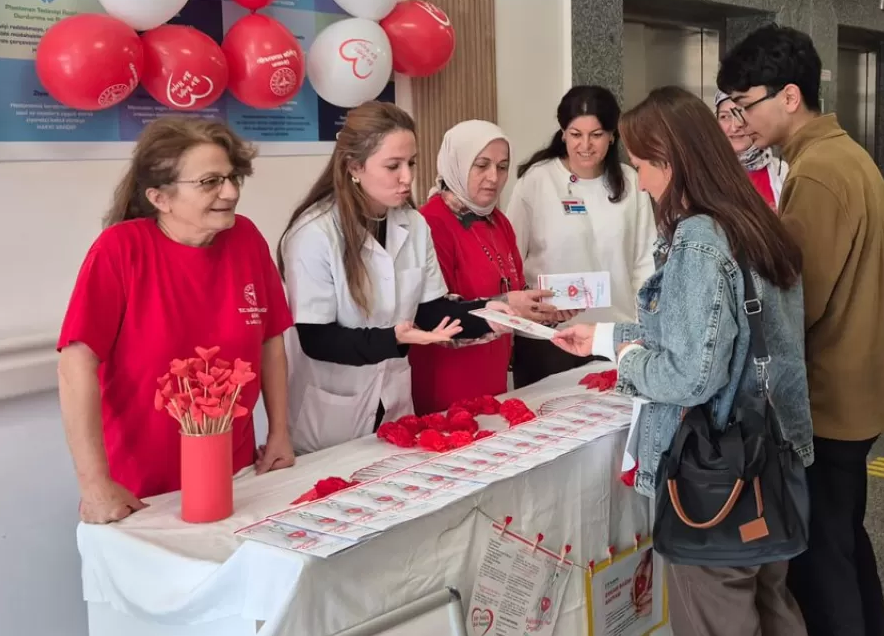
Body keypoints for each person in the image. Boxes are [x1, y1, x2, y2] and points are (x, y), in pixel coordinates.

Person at [553, 86, 817, 636]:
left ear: (671, 162)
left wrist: (625, 359)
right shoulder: (750, 221)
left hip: (716, 481)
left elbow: (691, 376)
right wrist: (606, 335)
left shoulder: (700, 238)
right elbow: (714, 335)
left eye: (642, 166)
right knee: (776, 623)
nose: (640, 183)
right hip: (771, 466)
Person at [53, 118, 296, 636]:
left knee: (220, 622)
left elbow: (269, 342)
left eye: (233, 176)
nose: (231, 192)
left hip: (231, 473)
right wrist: (95, 484)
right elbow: (75, 362)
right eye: (210, 181)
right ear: (159, 196)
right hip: (143, 485)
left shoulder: (246, 241)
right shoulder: (121, 250)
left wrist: (279, 434)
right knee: (134, 625)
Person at [718, 24, 884, 636]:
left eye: (745, 103)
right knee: (847, 556)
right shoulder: (844, 156)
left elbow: (797, 304)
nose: (740, 119)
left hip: (826, 405)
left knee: (824, 576)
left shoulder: (820, 172)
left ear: (790, 96)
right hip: (852, 397)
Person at [279, 103, 544, 452]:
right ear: (354, 166)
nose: (407, 177)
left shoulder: (412, 224)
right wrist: (396, 339)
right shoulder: (314, 233)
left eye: (412, 163)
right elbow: (317, 338)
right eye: (393, 166)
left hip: (393, 406)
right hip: (332, 413)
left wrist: (496, 312)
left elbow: (432, 312)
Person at [411, 120, 568, 413]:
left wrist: (547, 311)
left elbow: (515, 296)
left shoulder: (499, 222)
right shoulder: (431, 222)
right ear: (456, 164)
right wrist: (509, 304)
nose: (493, 177)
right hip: (447, 383)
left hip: (493, 380)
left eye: (502, 166)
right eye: (481, 165)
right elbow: (432, 316)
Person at [506, 85, 655, 388]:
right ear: (563, 133)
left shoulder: (630, 181)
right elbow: (511, 260)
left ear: (613, 135)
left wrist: (645, 327)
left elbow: (644, 262)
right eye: (576, 134)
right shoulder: (537, 180)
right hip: (548, 338)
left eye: (596, 135)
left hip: (613, 335)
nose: (585, 145)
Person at [716, 89, 787, 209]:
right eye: (725, 117)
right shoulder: (706, 172)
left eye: (741, 113)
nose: (735, 127)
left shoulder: (782, 171)